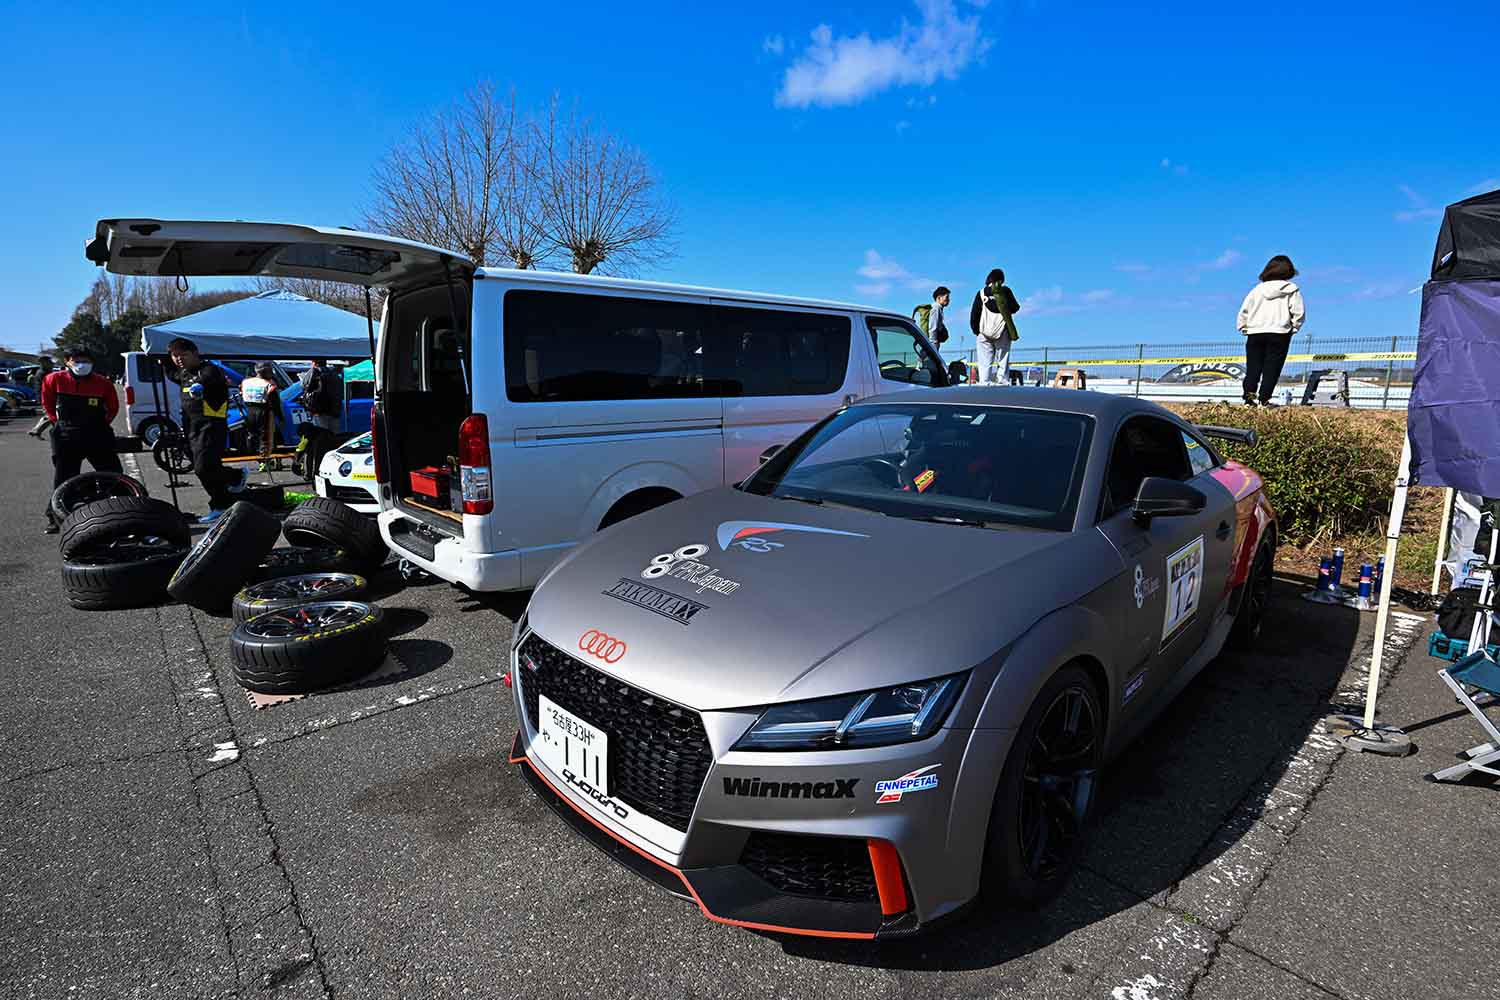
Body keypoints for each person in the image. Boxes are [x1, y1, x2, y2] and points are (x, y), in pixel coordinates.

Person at [40, 346, 121, 533]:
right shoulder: (53, 379)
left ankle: (129, 509)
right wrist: (57, 423)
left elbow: (113, 407)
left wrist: (102, 425)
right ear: (67, 362)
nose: (82, 365)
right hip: (66, 435)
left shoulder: (103, 383)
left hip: (97, 434)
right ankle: (55, 518)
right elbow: (47, 404)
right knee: (64, 478)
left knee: (113, 473)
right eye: (77, 361)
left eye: (86, 361)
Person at [168, 337, 248, 522]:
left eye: (184, 355)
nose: (179, 359)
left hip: (210, 425)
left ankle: (232, 482)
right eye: (175, 356)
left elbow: (210, 379)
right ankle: (223, 500)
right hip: (191, 427)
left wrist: (201, 385)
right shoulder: (183, 374)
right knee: (204, 468)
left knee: (203, 468)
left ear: (195, 353)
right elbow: (171, 373)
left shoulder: (209, 369)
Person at [1237, 255, 1306, 406]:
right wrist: (1294, 327)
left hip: (1255, 332)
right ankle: (1264, 400)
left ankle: (1249, 399)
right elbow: (1298, 312)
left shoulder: (1257, 290)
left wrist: (1244, 328)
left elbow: (1244, 311)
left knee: (1253, 368)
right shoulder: (1292, 289)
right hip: (1279, 333)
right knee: (1272, 369)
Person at [969, 268, 1021, 385]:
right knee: (1003, 358)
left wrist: (977, 331)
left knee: (984, 361)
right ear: (1001, 280)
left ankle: (985, 381)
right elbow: (1015, 308)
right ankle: (1002, 379)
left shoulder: (981, 293)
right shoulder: (1005, 291)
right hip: (1002, 331)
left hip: (983, 333)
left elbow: (974, 314)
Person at [239, 362, 281, 470]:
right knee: (265, 437)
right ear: (267, 372)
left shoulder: (246, 382)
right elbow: (275, 402)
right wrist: (280, 416)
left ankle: (256, 457)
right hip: (264, 411)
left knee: (252, 435)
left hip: (249, 410)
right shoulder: (269, 384)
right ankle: (265, 462)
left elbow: (241, 392)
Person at [928, 286, 952, 359]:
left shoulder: (938, 308)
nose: (948, 300)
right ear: (938, 298)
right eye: (946, 297)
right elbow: (933, 327)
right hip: (932, 344)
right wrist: (934, 344)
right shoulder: (936, 308)